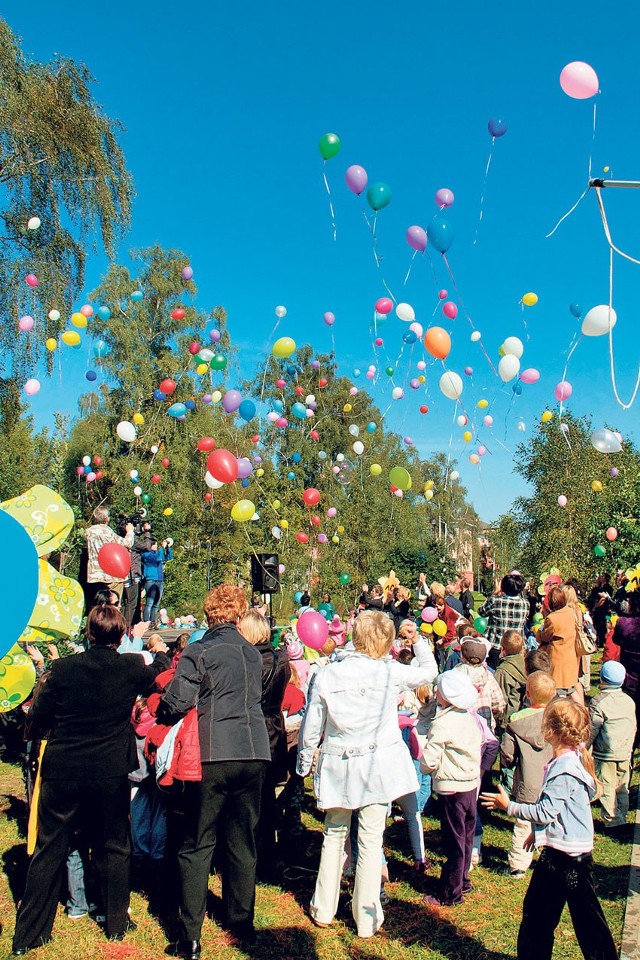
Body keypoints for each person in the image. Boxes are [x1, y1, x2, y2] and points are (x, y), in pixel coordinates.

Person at [12, 605, 170, 953]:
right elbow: (158, 672)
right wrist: (157, 649)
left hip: (64, 768)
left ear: (89, 633)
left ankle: (30, 934)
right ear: (120, 634)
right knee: (114, 845)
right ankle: (115, 922)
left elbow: (39, 716)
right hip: (108, 770)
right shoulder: (129, 667)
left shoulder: (63, 669)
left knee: (49, 848)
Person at [298, 610, 437, 939]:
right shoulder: (388, 673)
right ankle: (366, 915)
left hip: (341, 764)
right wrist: (418, 643)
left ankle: (324, 908)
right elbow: (430, 671)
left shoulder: (330, 675)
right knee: (370, 840)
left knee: (334, 835)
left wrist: (304, 761)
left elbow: (311, 726)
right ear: (386, 640)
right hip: (375, 767)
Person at [159, 585, 270, 959]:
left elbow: (176, 700)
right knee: (242, 840)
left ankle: (190, 936)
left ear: (209, 616)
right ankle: (242, 923)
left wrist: (158, 710)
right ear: (238, 616)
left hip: (212, 752)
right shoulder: (252, 655)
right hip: (253, 751)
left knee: (197, 840)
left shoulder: (200, 650)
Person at [481, 699, 618, 960]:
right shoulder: (570, 759)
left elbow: (545, 810)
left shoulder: (564, 769)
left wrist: (508, 806)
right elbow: (560, 812)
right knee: (540, 914)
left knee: (585, 921)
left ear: (549, 732)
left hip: (569, 861)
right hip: (561, 853)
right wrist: (542, 833)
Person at [420, 671, 482, 907]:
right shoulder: (468, 718)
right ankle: (463, 879)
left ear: (446, 696)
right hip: (469, 786)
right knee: (465, 837)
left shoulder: (443, 723)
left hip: (451, 789)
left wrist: (424, 766)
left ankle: (450, 893)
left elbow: (431, 758)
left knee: (453, 842)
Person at [238, 608, 290, 877]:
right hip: (274, 727)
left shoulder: (250, 662)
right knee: (267, 795)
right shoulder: (281, 659)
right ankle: (270, 855)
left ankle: (253, 856)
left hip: (255, 726)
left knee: (250, 798)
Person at [500, 670, 557, 878]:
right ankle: (552, 857)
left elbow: (507, 754)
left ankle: (518, 865)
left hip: (526, 781)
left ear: (528, 694)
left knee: (523, 823)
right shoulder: (557, 718)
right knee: (552, 819)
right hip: (554, 780)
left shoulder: (517, 720)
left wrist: (508, 764)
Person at [589, 660, 636, 828]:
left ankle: (613, 820)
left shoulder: (599, 702)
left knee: (607, 786)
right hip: (625, 750)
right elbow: (633, 725)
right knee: (622, 785)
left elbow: (592, 729)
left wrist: (585, 746)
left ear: (602, 678)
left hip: (605, 753)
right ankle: (622, 813)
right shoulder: (628, 701)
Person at [83, 506, 135, 611]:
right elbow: (127, 543)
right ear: (107, 518)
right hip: (110, 575)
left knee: (96, 607)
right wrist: (130, 532)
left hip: (94, 576)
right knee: (113, 605)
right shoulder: (107, 532)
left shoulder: (88, 532)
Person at [537, 585, 581, 701]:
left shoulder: (551, 618)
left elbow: (545, 637)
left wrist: (538, 631)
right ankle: (582, 713)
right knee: (571, 689)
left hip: (557, 659)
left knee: (558, 691)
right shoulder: (571, 613)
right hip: (570, 656)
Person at [478, 574, 529, 670]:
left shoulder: (495, 601)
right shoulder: (525, 603)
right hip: (518, 646)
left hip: (497, 645)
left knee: (495, 674)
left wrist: (494, 593)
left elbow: (481, 611)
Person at [455, 637, 506, 731]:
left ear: (462, 656)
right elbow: (499, 703)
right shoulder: (489, 677)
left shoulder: (455, 676)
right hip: (484, 728)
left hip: (461, 728)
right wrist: (493, 716)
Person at [494, 630, 527, 730]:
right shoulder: (526, 664)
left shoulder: (503, 671)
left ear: (502, 648)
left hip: (506, 721)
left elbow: (499, 699)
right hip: (522, 716)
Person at [123, 520, 153, 631]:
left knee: (125, 604)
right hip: (132, 575)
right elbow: (147, 547)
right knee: (132, 604)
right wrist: (147, 532)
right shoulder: (131, 540)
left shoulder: (119, 537)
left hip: (124, 574)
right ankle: (127, 629)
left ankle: (126, 627)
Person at [141, 537, 174, 625]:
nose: (156, 546)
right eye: (154, 544)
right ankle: (146, 621)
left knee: (156, 603)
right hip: (151, 580)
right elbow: (157, 559)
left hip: (160, 580)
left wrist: (168, 547)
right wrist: (162, 548)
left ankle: (152, 622)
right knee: (150, 603)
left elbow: (169, 557)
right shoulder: (146, 554)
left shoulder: (158, 553)